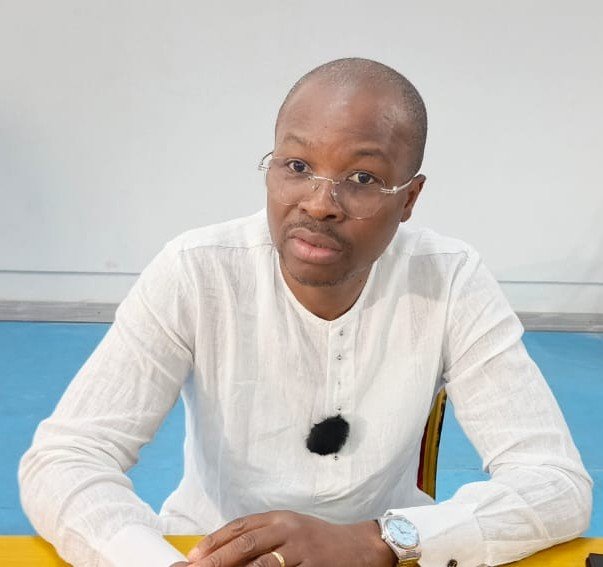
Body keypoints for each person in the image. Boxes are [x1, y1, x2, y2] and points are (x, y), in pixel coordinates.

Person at [19, 58, 592, 567]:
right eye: (296, 166)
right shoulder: (197, 272)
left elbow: (555, 482)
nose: (320, 204)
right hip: (206, 549)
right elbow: (66, 460)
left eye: (362, 178)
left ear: (409, 199)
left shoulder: (450, 280)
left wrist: (378, 542)